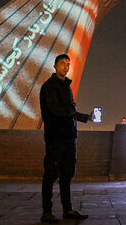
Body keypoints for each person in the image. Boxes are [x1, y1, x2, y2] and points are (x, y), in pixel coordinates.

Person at [39, 54, 91, 223]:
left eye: (68, 64)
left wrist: (83, 117)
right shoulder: (49, 86)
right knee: (51, 174)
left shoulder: (67, 87)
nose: (66, 67)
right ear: (55, 66)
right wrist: (72, 110)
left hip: (69, 136)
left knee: (67, 174)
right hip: (56, 137)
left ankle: (67, 209)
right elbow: (55, 110)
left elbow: (68, 111)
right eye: (62, 64)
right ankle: (47, 211)